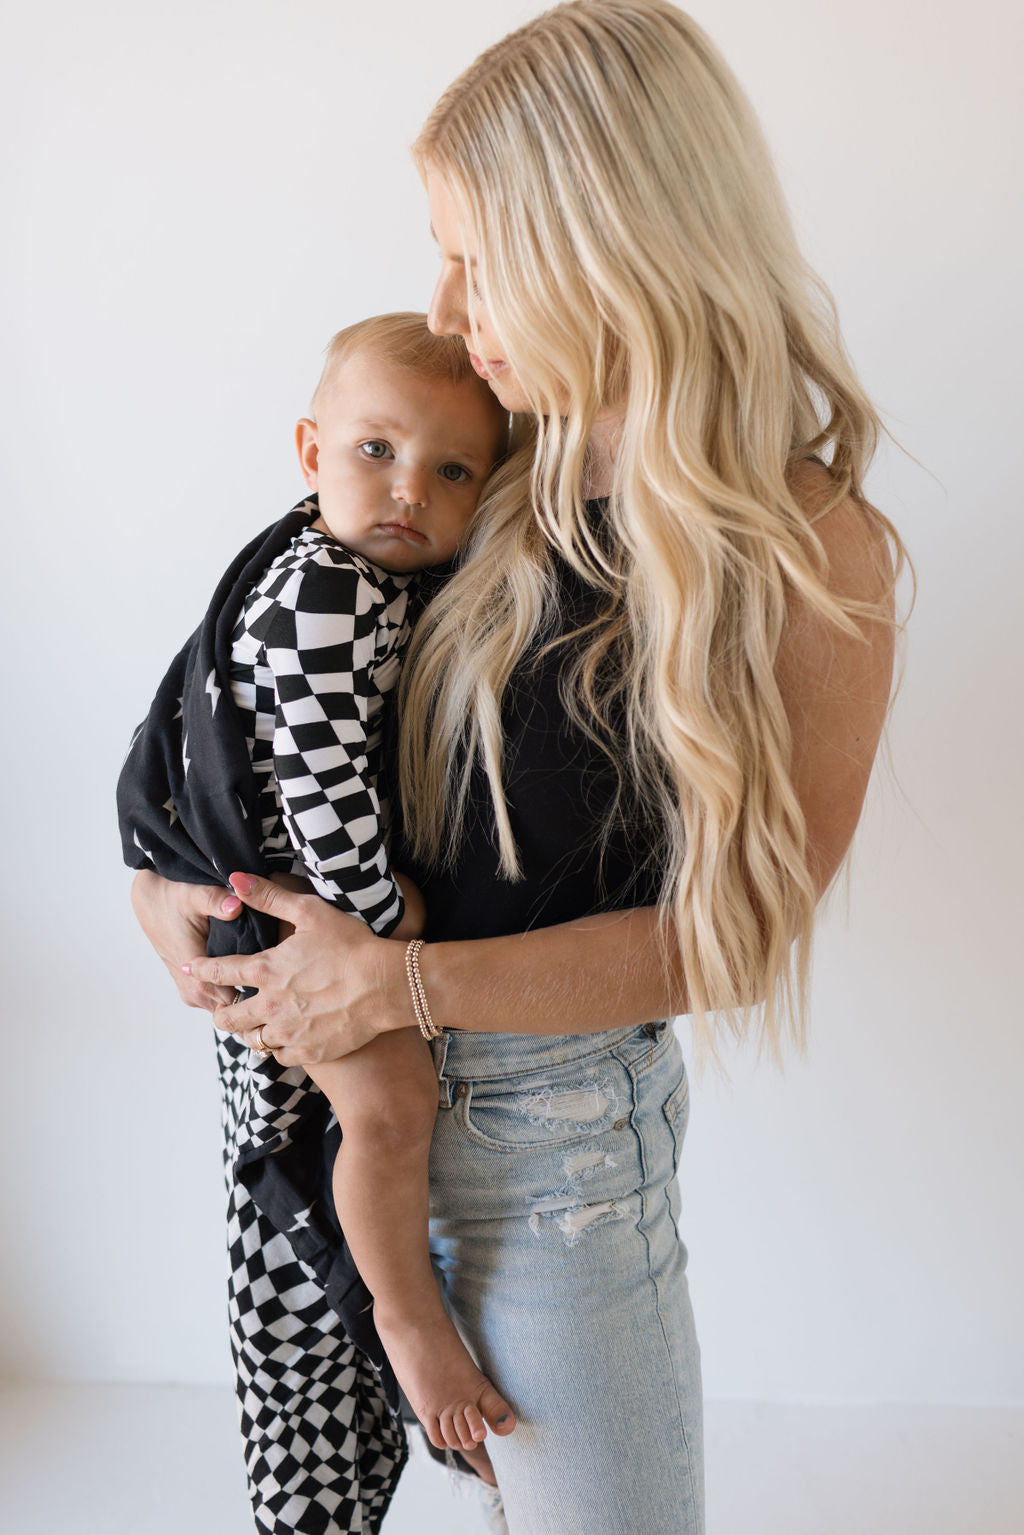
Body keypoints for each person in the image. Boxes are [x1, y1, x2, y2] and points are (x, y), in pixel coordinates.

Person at [131, 3, 904, 1531]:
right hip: (323, 1095)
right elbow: (245, 688)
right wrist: (162, 880)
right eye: (439, 248)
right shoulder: (479, 463)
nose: (443, 299)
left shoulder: (814, 549)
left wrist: (397, 991)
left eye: (483, 256)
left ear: (612, 238)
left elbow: (740, 937)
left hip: (553, 1154)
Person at [118, 314, 515, 1466]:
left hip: (285, 894)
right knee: (390, 1106)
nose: (409, 490)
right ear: (310, 452)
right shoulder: (328, 594)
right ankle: (405, 1320)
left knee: (364, 1123)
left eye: (452, 469)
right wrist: (391, 933)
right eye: (374, 451)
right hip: (293, 910)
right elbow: (323, 786)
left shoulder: (335, 567)